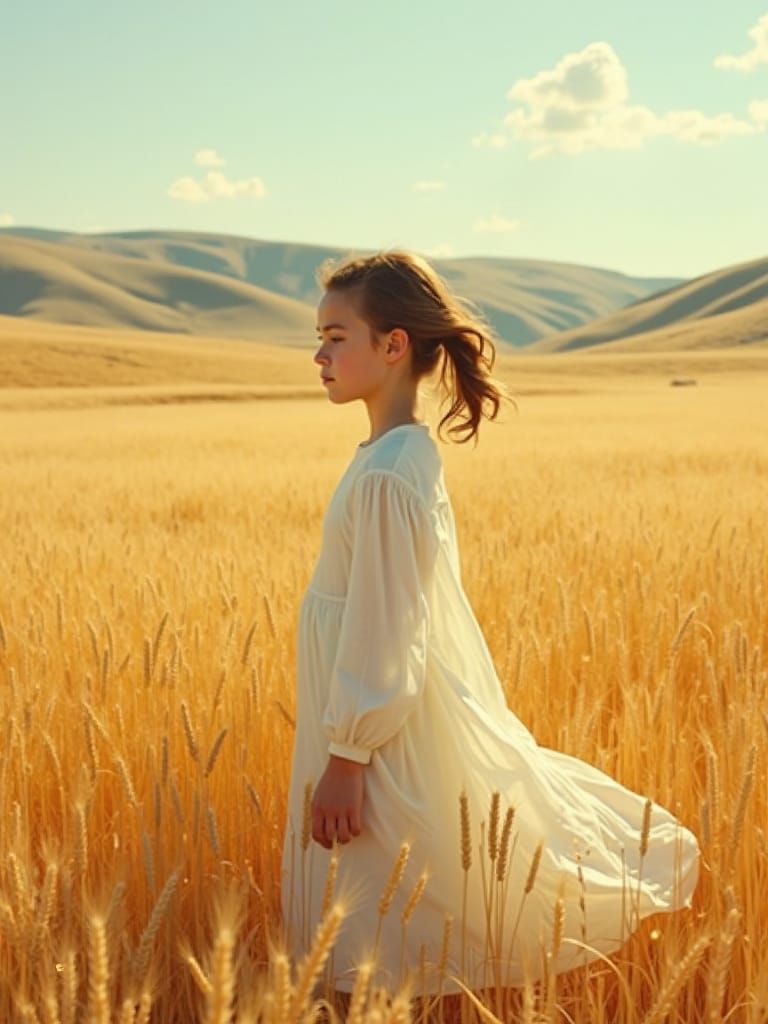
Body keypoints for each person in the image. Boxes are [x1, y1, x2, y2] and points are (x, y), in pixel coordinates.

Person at [279, 250, 700, 1001]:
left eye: (336, 337)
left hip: (375, 741)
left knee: (383, 920)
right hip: (374, 728)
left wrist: (347, 754)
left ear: (393, 344)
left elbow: (385, 626)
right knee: (387, 916)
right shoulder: (398, 453)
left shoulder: (387, 474)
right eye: (319, 338)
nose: (319, 355)